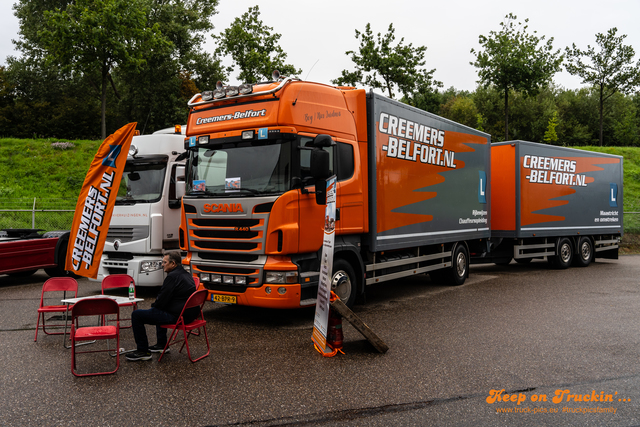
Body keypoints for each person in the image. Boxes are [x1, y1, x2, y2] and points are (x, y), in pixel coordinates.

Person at [126, 250, 198, 361]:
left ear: (173, 263)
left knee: (137, 315)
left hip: (178, 317)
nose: (162, 265)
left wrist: (154, 306)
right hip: (190, 315)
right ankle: (161, 345)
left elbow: (161, 300)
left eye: (164, 262)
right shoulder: (187, 275)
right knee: (160, 308)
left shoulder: (172, 277)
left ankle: (143, 351)